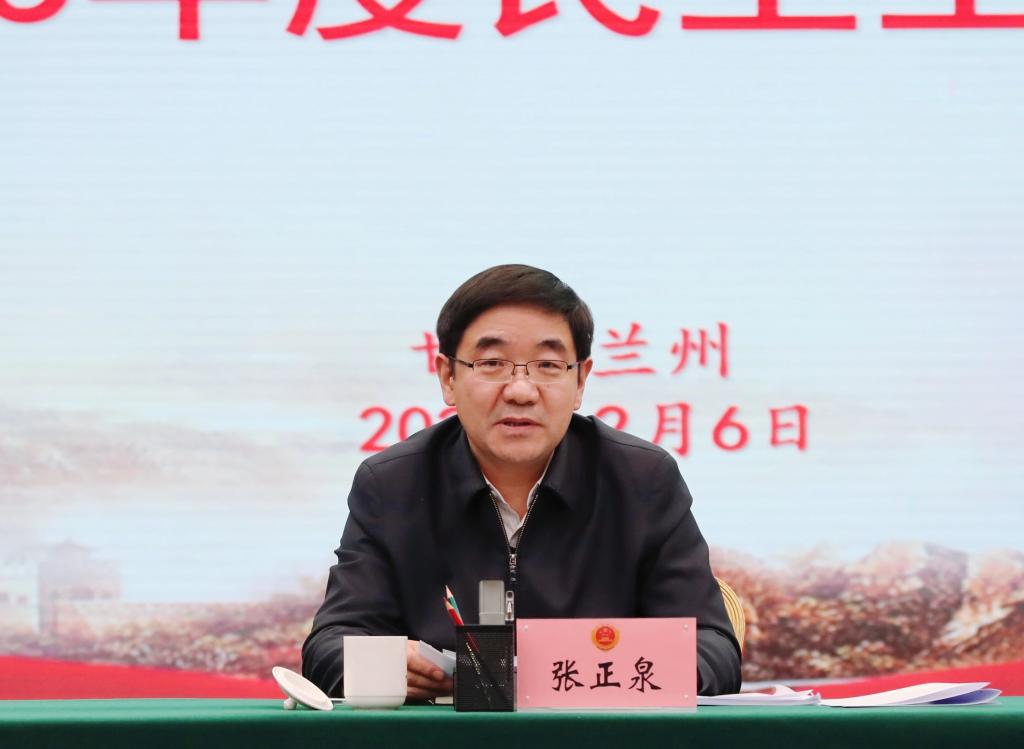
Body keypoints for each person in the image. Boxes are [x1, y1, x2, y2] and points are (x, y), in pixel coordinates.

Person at [302, 264, 741, 700]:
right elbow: (328, 648)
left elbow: (713, 650)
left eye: (548, 365)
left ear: (580, 380)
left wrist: (579, 673)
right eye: (492, 363)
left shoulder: (642, 480)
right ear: (448, 377)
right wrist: (386, 664)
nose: (521, 390)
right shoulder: (392, 485)